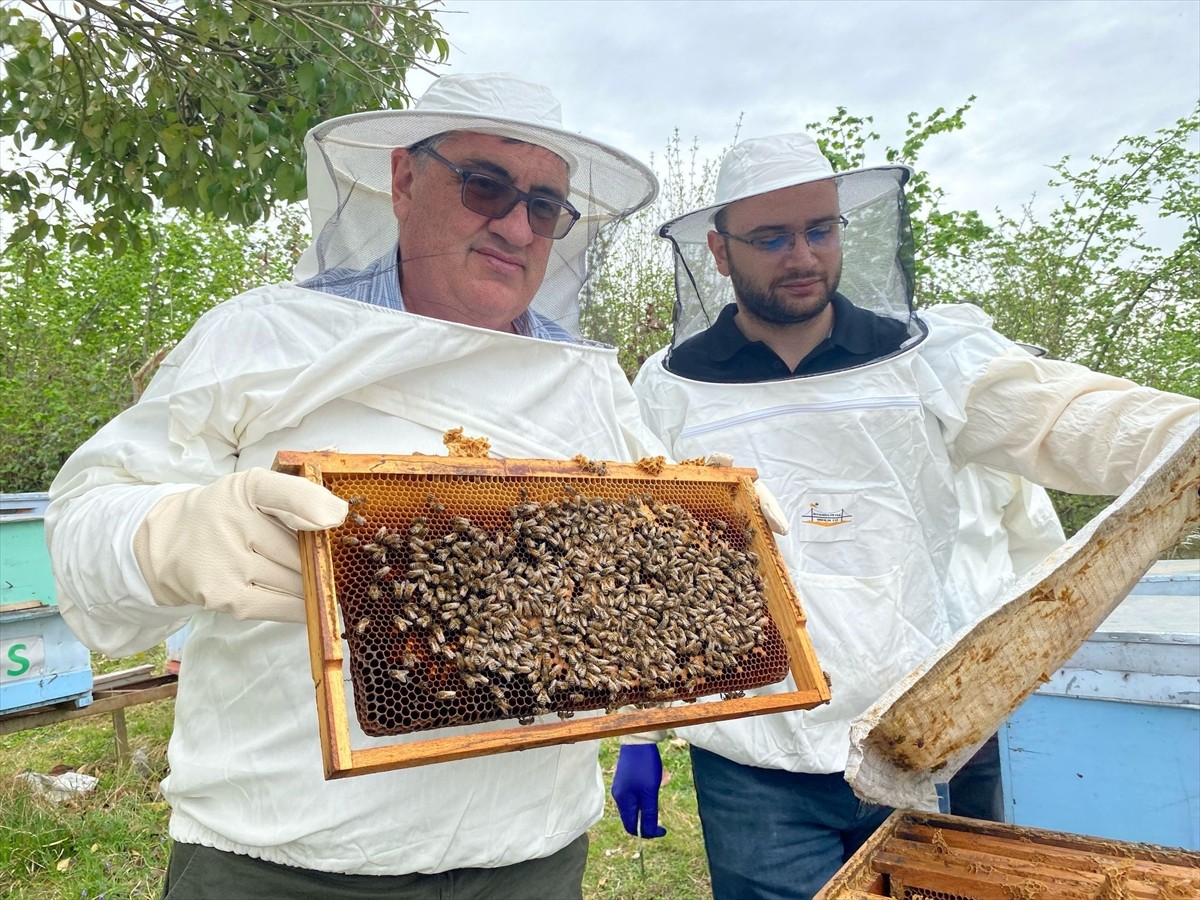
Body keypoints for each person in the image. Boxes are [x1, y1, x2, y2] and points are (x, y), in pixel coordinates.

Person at [45, 72, 666, 899]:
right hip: (284, 857)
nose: (516, 225)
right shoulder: (265, 333)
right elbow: (85, 525)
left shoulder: (589, 382)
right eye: (487, 185)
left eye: (545, 206)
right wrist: (170, 534)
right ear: (404, 181)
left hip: (530, 853)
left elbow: (655, 563)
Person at [612, 131, 1198, 899]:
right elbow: (637, 567)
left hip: (918, 737)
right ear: (719, 254)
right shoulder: (668, 386)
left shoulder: (927, 355)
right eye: (772, 237)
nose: (803, 255)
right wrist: (637, 728)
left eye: (821, 229)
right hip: (756, 755)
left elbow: (1073, 417)